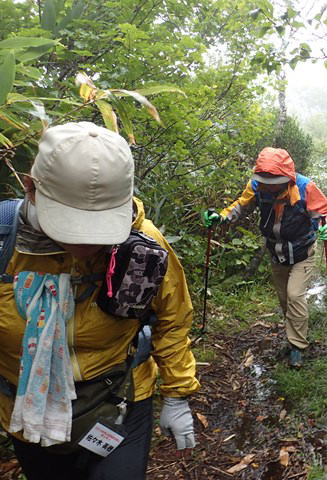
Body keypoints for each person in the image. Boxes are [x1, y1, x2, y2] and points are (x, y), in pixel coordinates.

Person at [0, 122, 200, 479]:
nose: (88, 243)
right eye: (72, 224)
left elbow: (172, 317)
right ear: (30, 188)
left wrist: (177, 394)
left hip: (119, 400)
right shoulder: (4, 243)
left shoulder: (143, 244)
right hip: (27, 411)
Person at [203, 148, 327, 367]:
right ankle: (293, 333)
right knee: (284, 299)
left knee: (295, 295)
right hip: (276, 253)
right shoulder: (257, 186)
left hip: (303, 252)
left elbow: (326, 213)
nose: (270, 186)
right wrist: (221, 217)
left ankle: (297, 346)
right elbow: (240, 205)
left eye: (275, 182)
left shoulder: (304, 187)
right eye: (267, 181)